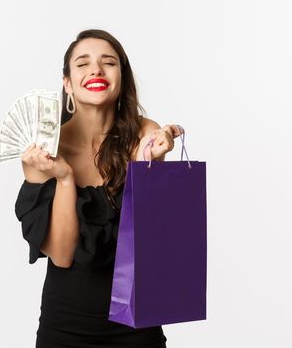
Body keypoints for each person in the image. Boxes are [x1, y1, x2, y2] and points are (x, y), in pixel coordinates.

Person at [14, 29, 182, 348]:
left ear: (122, 77)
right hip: (65, 327)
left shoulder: (145, 134)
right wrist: (64, 178)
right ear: (67, 83)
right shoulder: (44, 150)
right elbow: (62, 255)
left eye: (108, 62)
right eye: (83, 63)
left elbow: (152, 238)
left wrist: (152, 164)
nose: (96, 70)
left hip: (137, 324)